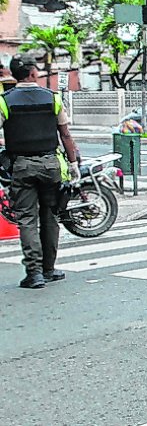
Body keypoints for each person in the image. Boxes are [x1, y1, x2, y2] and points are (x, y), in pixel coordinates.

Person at [0, 54, 80, 289]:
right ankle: (49, 269)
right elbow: (65, 134)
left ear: (14, 74)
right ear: (33, 73)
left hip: (22, 166)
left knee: (27, 219)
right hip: (51, 165)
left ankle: (34, 274)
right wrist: (73, 163)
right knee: (50, 216)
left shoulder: (4, 101)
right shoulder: (52, 98)